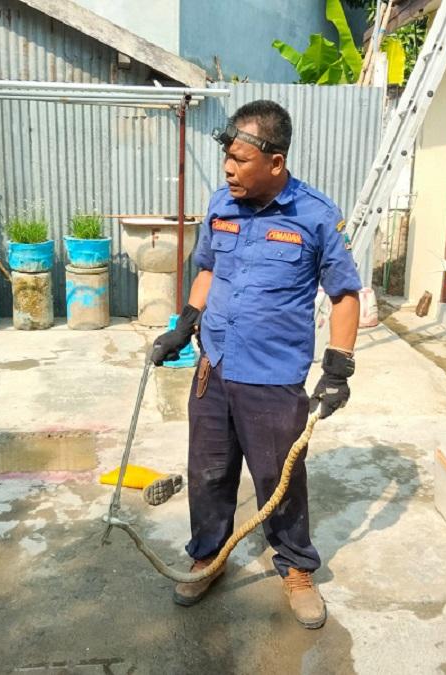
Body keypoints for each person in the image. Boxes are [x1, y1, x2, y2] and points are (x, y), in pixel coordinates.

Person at [150, 100, 361, 629]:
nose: (228, 170)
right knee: (209, 471)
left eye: (240, 160)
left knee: (278, 476)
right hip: (213, 365)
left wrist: (338, 367)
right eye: (227, 159)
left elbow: (344, 294)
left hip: (272, 375)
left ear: (275, 161)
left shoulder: (314, 215)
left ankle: (295, 567)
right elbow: (206, 269)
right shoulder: (221, 203)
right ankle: (208, 556)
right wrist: (185, 322)